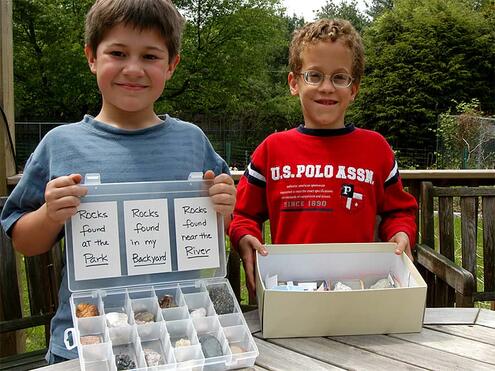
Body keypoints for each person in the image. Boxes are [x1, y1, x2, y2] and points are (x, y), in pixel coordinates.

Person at [1, 0, 235, 364]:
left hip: (180, 337)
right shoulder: (60, 145)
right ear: (92, 57)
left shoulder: (192, 141)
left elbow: (220, 227)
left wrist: (224, 206)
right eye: (118, 52)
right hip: (85, 340)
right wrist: (49, 215)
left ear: (172, 65)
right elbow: (24, 242)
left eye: (150, 57)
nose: (133, 68)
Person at [228, 18, 418, 299]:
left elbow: (398, 212)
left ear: (354, 89)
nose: (327, 87)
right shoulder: (272, 150)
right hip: (290, 295)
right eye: (314, 75)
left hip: (358, 295)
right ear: (294, 83)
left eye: (339, 77)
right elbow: (243, 214)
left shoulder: (376, 149)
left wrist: (402, 233)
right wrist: (244, 237)